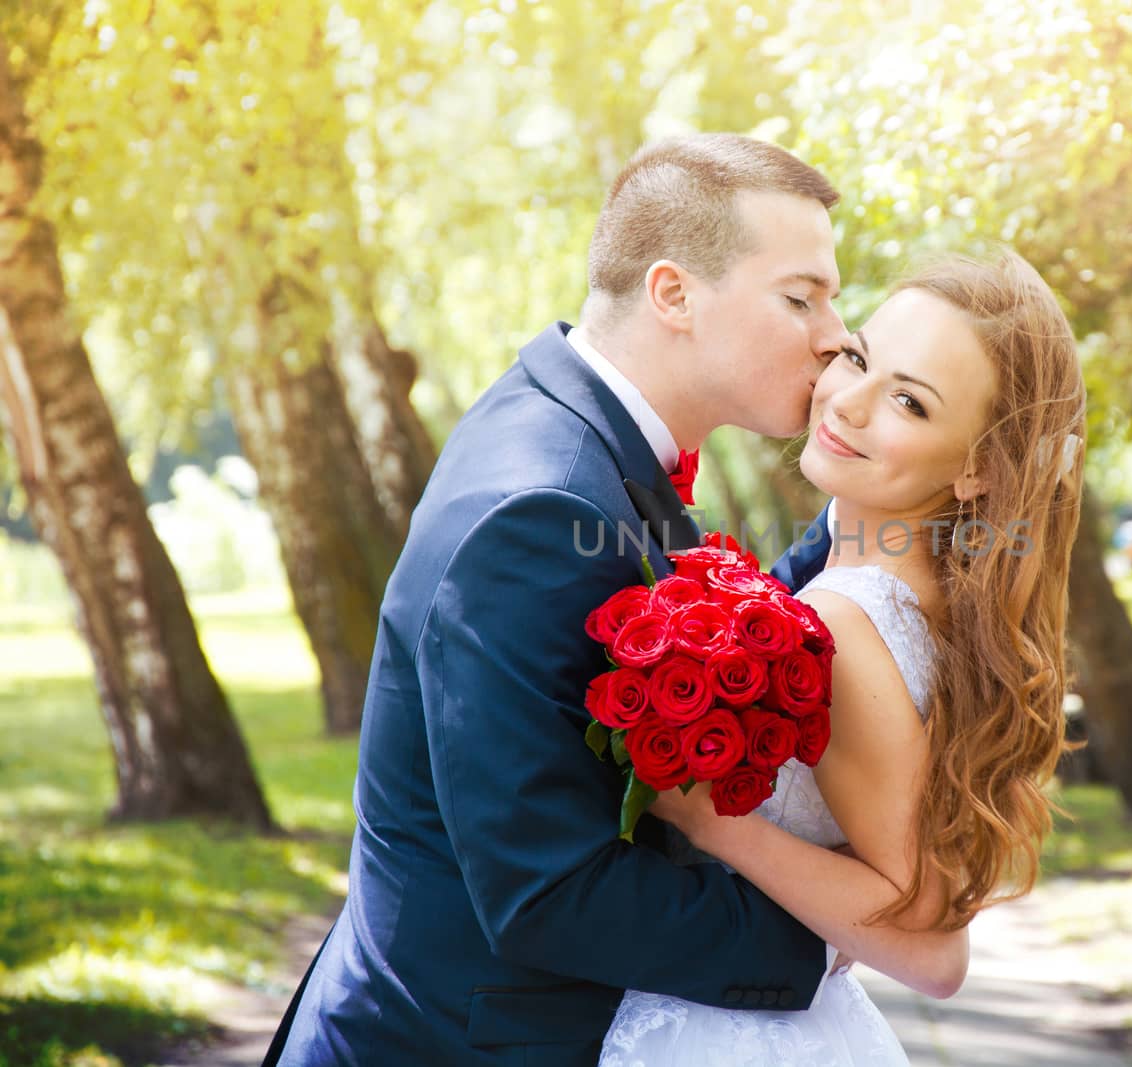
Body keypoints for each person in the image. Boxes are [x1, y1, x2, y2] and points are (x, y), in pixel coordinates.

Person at [266, 133, 854, 1065]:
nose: (835, 334)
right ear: (674, 295)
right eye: (801, 297)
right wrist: (829, 930)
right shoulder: (539, 504)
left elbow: (698, 637)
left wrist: (859, 511)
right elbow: (547, 889)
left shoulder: (573, 426)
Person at [600, 247, 1088, 1064]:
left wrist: (711, 820)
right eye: (858, 356)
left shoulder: (846, 621)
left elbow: (931, 946)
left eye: (908, 400)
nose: (850, 403)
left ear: (978, 469)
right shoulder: (918, 591)